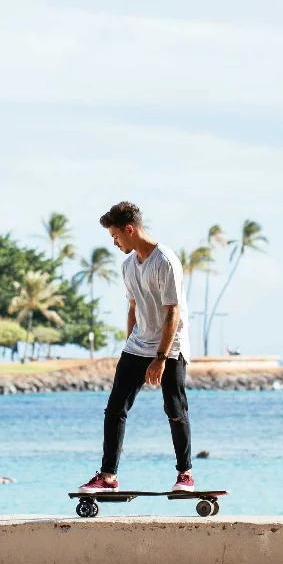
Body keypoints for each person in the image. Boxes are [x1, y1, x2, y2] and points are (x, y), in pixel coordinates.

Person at [77, 201, 195, 493]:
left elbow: (172, 311)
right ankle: (108, 477)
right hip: (138, 345)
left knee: (174, 408)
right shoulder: (128, 265)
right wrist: (130, 347)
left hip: (170, 346)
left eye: (115, 236)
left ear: (129, 229)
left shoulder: (165, 261)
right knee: (115, 409)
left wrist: (160, 358)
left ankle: (185, 474)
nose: (114, 243)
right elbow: (133, 308)